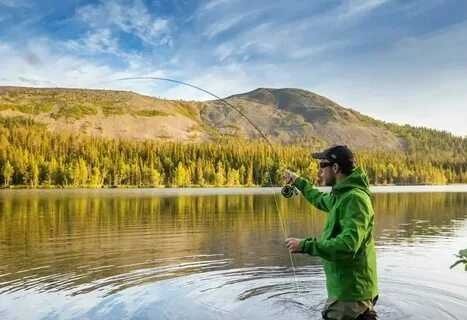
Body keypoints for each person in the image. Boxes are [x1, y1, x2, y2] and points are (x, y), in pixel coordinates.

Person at [284, 145, 378, 320]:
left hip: (350, 293)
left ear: (335, 168)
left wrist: (305, 245)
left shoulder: (355, 199)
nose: (319, 171)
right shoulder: (341, 195)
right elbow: (319, 199)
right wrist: (298, 181)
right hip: (348, 290)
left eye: (322, 166)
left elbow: (347, 245)